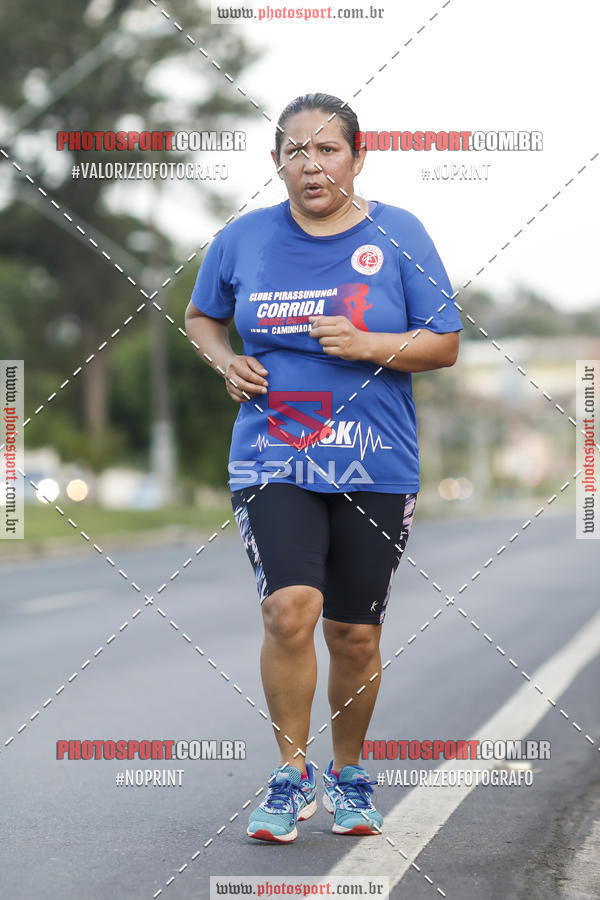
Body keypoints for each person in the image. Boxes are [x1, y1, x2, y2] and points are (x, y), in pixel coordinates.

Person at [184, 92, 462, 843]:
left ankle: (348, 774)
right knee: (289, 609)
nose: (311, 165)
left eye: (327, 149)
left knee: (355, 636)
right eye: (295, 151)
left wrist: (368, 345)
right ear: (275, 163)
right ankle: (290, 773)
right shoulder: (242, 238)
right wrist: (224, 361)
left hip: (377, 461)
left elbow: (445, 343)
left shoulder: (397, 234)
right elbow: (201, 315)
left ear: (357, 156)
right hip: (273, 452)